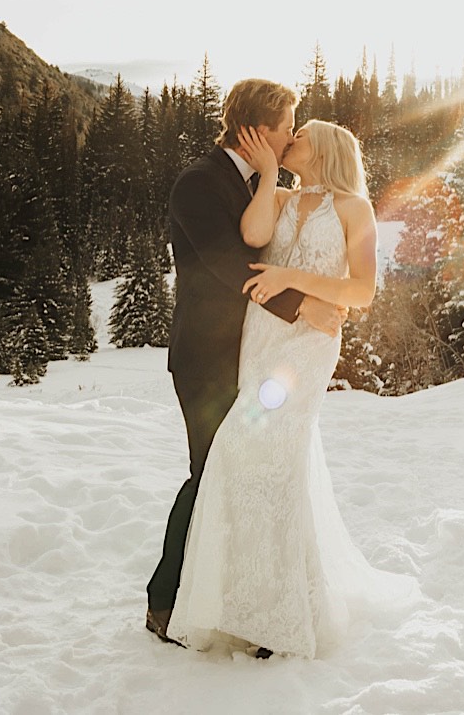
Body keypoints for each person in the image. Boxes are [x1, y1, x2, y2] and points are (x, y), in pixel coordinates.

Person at [165, 117, 416, 658]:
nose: (288, 140)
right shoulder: (275, 197)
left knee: (267, 454)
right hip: (261, 338)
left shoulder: (356, 208)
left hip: (308, 343)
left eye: (297, 137)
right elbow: (254, 239)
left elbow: (363, 289)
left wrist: (292, 280)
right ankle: (241, 603)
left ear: (323, 149)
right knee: (248, 461)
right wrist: (269, 175)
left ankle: (278, 615)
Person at [144, 79, 346, 646]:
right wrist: (302, 304)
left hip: (257, 359)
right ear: (258, 129)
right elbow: (226, 264)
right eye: (287, 125)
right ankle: (165, 602)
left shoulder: (264, 185)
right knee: (210, 475)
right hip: (208, 359)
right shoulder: (199, 182)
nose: (291, 136)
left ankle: (239, 602)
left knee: (249, 478)